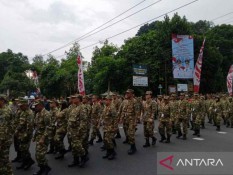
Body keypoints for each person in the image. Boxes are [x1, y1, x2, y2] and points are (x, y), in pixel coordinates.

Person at [68, 94, 88, 168]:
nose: (72, 99)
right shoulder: (74, 107)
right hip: (72, 131)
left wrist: (80, 132)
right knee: (73, 146)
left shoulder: (82, 108)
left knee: (78, 145)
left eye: (74, 98)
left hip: (78, 131)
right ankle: (75, 160)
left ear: (79, 99)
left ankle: (84, 157)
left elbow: (83, 121)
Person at [33, 100, 52, 175]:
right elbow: (37, 127)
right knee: (38, 155)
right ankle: (42, 168)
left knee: (40, 155)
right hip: (38, 136)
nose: (35, 107)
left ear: (41, 105)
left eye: (36, 105)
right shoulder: (38, 114)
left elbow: (49, 127)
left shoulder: (46, 114)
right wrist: (34, 137)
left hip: (44, 137)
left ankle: (46, 168)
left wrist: (43, 138)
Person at [15, 98, 35, 170]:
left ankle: (28, 162)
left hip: (26, 134)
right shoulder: (23, 112)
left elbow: (29, 127)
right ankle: (26, 162)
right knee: (22, 149)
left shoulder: (30, 113)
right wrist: (17, 131)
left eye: (21, 105)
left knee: (24, 149)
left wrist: (25, 136)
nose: (20, 107)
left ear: (25, 105)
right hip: (21, 133)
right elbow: (21, 123)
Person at [120, 89, 138, 155]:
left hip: (132, 120)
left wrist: (136, 121)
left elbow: (137, 112)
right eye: (126, 93)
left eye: (128, 93)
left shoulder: (135, 101)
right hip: (126, 119)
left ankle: (133, 147)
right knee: (126, 131)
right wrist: (121, 118)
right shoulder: (125, 101)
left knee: (131, 133)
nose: (127, 94)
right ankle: (128, 140)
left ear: (131, 94)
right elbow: (123, 111)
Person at [0, 94, 15, 175]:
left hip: (4, 140)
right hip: (4, 138)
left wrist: (1, 142)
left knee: (4, 159)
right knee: (3, 159)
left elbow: (3, 129)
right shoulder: (2, 109)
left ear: (2, 101)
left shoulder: (6, 112)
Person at [102, 96, 117, 160]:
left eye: (106, 100)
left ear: (110, 100)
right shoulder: (106, 107)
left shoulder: (112, 108)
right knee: (105, 140)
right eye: (105, 100)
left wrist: (115, 127)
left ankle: (113, 152)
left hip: (110, 126)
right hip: (106, 126)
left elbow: (115, 118)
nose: (105, 101)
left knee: (109, 140)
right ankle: (108, 152)